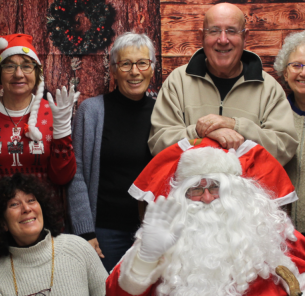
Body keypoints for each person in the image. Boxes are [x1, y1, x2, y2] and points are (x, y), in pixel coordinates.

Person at [106, 139, 305, 296]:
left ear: (237, 192)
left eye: (215, 187)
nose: (207, 197)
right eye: (196, 190)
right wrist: (146, 258)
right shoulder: (160, 238)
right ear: (182, 196)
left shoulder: (270, 232)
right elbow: (116, 292)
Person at [148, 2, 298, 167]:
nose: (223, 40)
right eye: (214, 31)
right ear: (201, 37)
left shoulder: (268, 88)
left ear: (245, 37)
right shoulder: (178, 82)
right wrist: (201, 133)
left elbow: (284, 148)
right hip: (189, 191)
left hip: (248, 192)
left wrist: (236, 125)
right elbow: (158, 144)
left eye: (232, 31)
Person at [67, 32, 156, 272]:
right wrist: (85, 231)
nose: (134, 72)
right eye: (125, 64)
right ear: (114, 71)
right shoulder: (91, 111)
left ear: (152, 68)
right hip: (105, 233)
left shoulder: (163, 113)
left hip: (154, 232)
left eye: (142, 63)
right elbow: (76, 174)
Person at [0, 33, 77, 209]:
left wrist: (62, 130)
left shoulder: (53, 113)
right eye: (9, 67)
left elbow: (63, 177)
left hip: (43, 218)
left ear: (37, 73)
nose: (18, 74)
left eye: (26, 66)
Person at [0, 173, 108, 296]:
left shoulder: (78, 248)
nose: (26, 208)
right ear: (2, 223)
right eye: (14, 204)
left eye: (31, 200)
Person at [274, 31, 305, 234]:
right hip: (284, 234)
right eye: (296, 65)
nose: (303, 73)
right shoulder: (274, 117)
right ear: (285, 73)